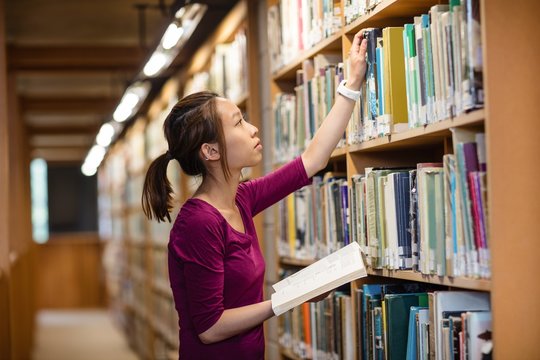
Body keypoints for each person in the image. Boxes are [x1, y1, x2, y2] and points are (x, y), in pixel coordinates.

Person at [142, 30, 367, 359]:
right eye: (238, 123)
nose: (252, 128)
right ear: (211, 150)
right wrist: (288, 298)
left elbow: (313, 161)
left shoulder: (241, 198)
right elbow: (210, 327)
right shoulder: (199, 224)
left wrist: (351, 85)